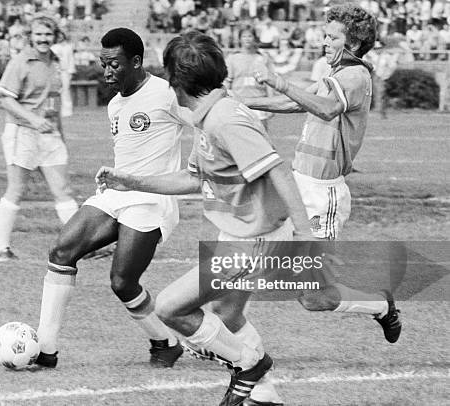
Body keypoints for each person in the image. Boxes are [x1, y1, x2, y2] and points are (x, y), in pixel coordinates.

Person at [95, 30, 313, 406]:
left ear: (176, 80)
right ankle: (263, 395)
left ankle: (250, 365)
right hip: (241, 235)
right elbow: (193, 178)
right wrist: (130, 180)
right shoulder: (209, 113)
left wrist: (307, 233)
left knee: (169, 307)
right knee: (226, 314)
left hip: (255, 240)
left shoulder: (225, 120)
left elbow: (277, 170)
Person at [234, 3, 402, 348]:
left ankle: (380, 306)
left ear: (352, 43)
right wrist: (242, 102)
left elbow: (324, 109)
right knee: (252, 262)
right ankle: (227, 341)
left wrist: (279, 82)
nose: (324, 41)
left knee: (313, 298)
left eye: (332, 36)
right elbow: (302, 103)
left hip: (322, 196)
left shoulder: (355, 76)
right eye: (325, 34)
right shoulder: (335, 74)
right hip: (299, 184)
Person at [34, 27, 189, 370]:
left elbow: (206, 121)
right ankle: (44, 350)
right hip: (115, 194)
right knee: (62, 251)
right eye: (103, 64)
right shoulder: (116, 104)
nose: (107, 72)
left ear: (136, 61)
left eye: (114, 64)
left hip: (151, 199)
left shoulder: (166, 93)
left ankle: (165, 342)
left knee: (122, 281)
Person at [0, 15, 79, 260]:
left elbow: (54, 101)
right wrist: (33, 119)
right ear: (30, 36)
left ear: (55, 37)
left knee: (63, 189)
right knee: (16, 189)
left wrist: (60, 133)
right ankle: (0, 249)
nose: (43, 39)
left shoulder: (56, 61)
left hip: (49, 134)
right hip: (22, 132)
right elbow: (5, 99)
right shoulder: (21, 62)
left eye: (47, 34)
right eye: (38, 34)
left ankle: (82, 246)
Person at [224, 25, 275, 131]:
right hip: (238, 104)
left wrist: (271, 105)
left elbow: (270, 84)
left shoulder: (263, 58)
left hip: (259, 103)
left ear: (254, 38)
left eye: (250, 36)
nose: (247, 39)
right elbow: (227, 84)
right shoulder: (232, 59)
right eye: (244, 36)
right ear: (240, 39)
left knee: (262, 139)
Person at [51, 30, 76, 118]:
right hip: (55, 71)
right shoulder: (53, 47)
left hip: (65, 71)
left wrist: (70, 72)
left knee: (66, 90)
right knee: (54, 91)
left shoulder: (68, 47)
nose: (60, 37)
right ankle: (54, 109)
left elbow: (71, 59)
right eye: (58, 36)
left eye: (61, 36)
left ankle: (67, 111)